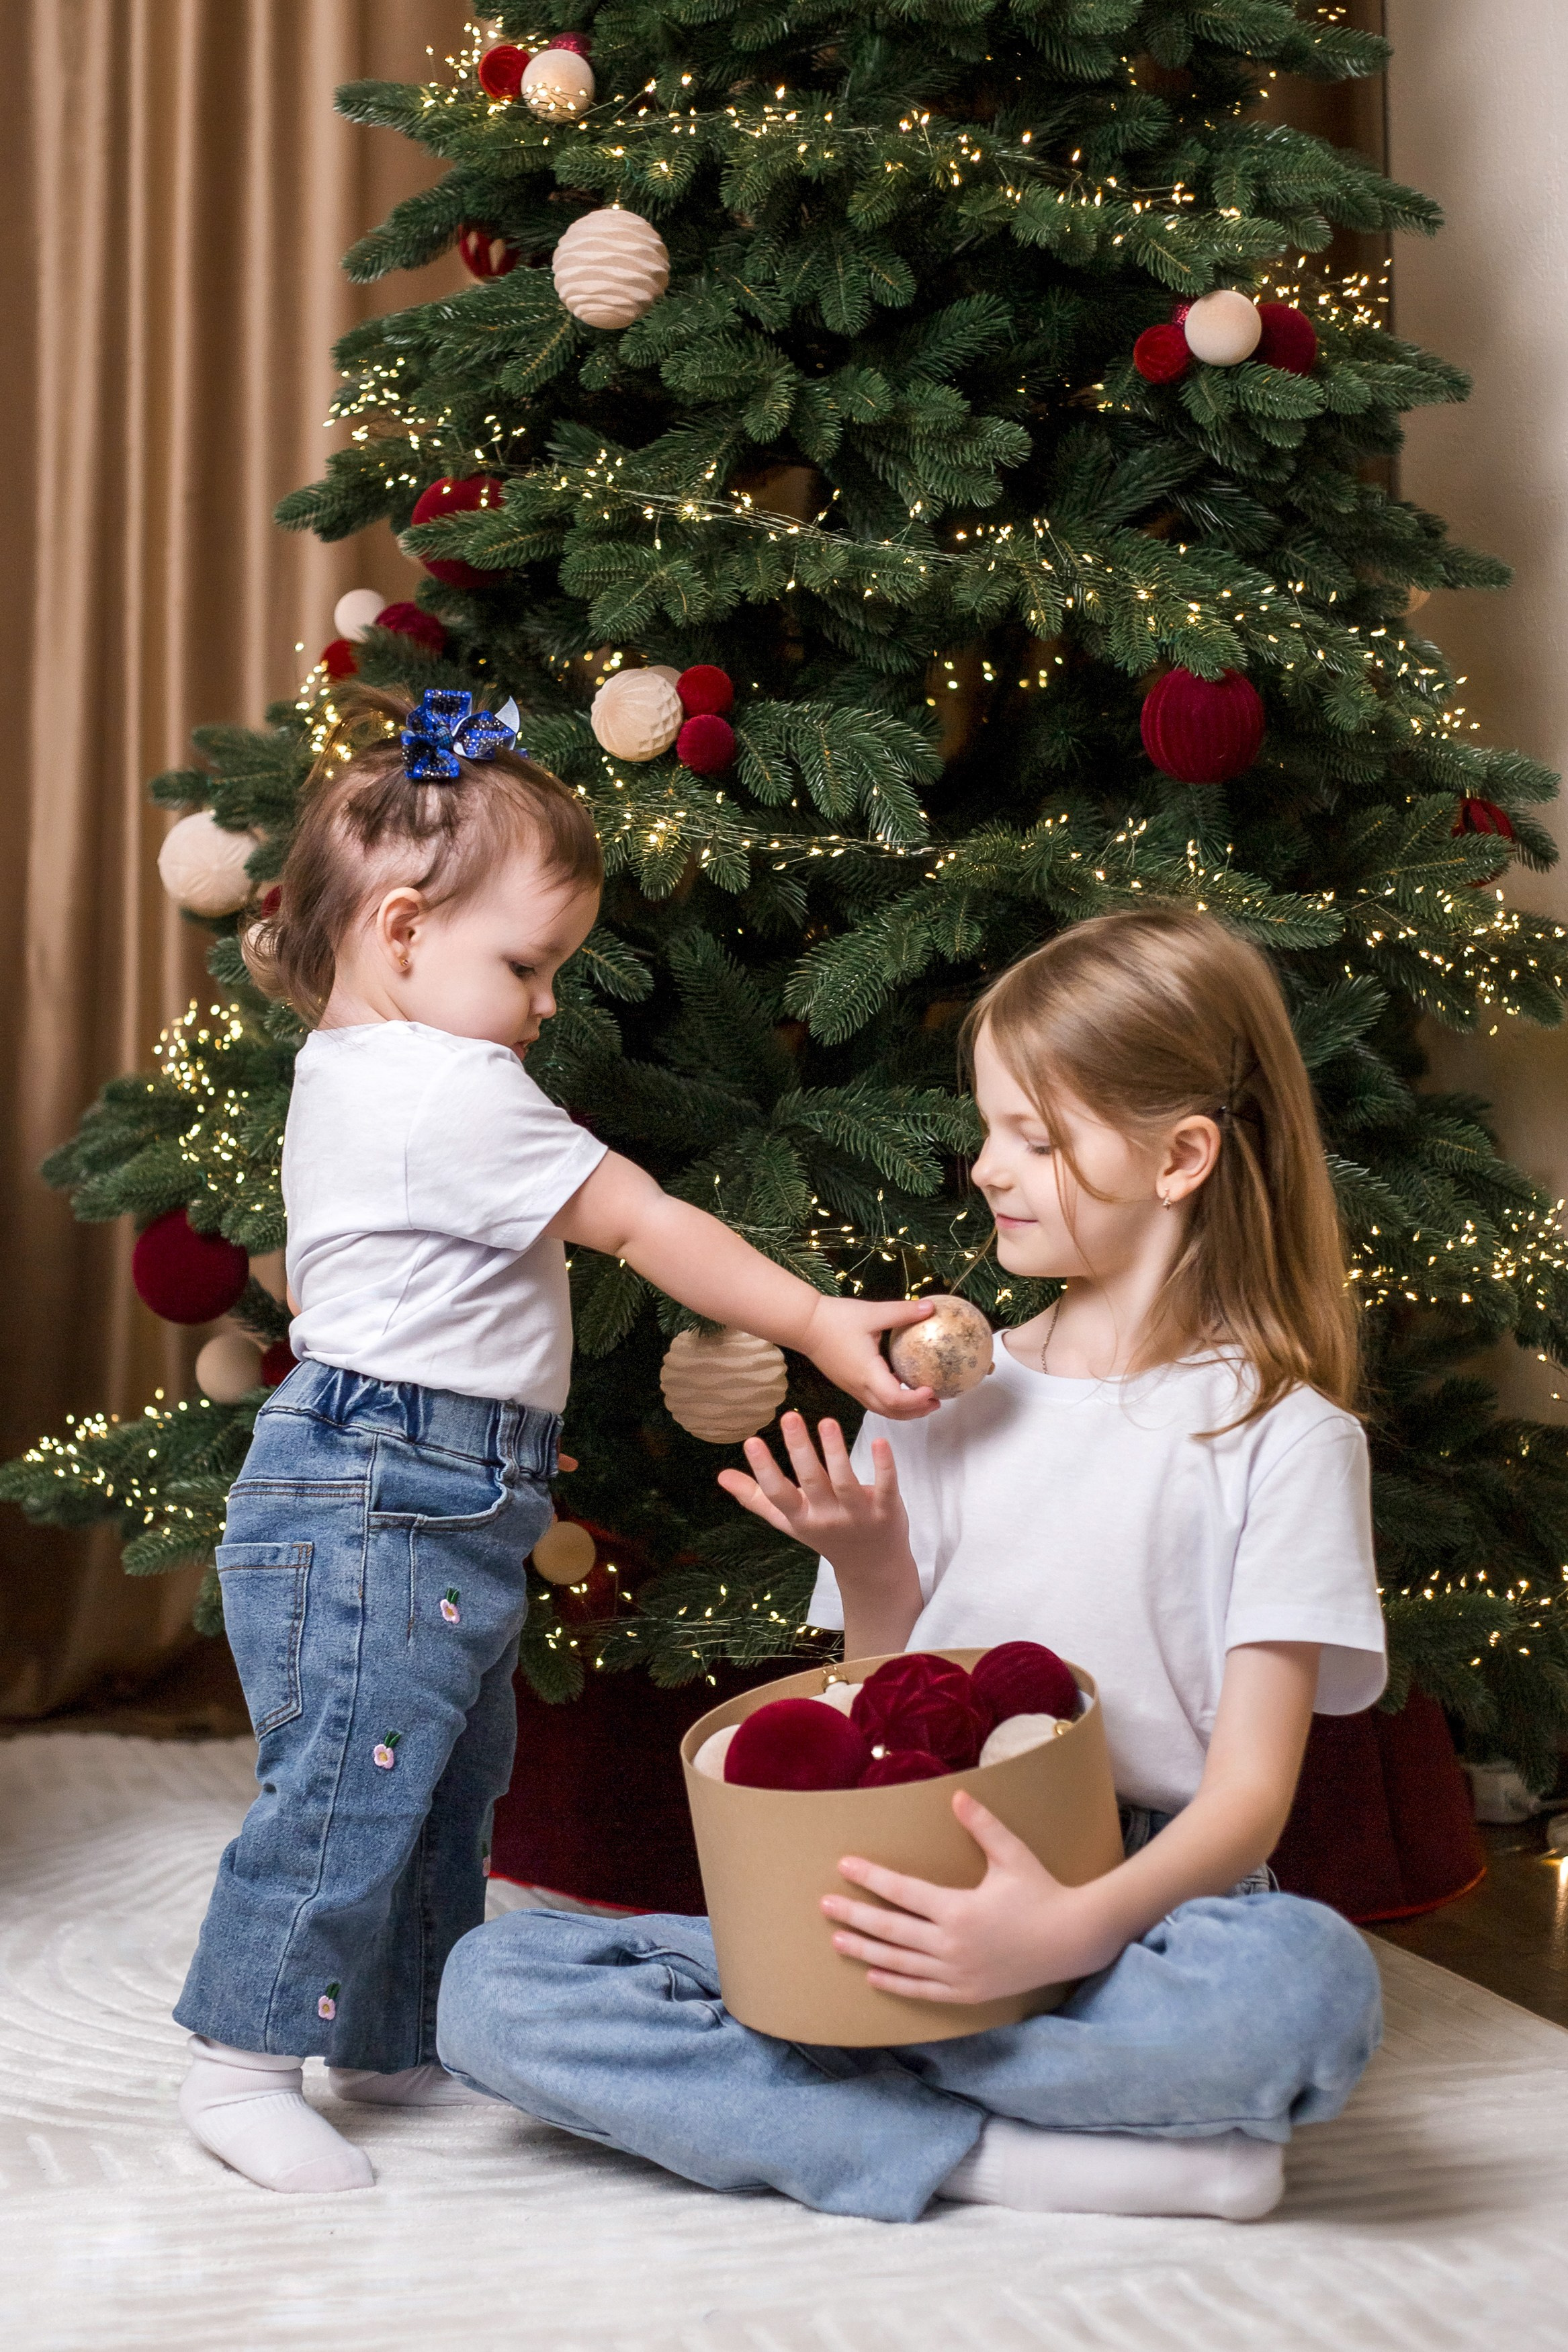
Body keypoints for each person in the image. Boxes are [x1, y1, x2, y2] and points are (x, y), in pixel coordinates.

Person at [437, 905, 1387, 2224]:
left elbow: (1249, 1801)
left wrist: (1062, 1930)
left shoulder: (1282, 1434)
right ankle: (1020, 2150)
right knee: (494, 1991)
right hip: (914, 1865)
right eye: (991, 1126)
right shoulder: (945, 1391)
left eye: (1038, 1139)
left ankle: (853, 2092)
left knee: (1308, 1989)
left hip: (1141, 1903)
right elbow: (882, 1718)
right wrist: (874, 1575)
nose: (990, 1167)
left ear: (1182, 1158)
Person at [173, 685, 938, 2195]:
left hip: (422, 1488)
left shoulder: (359, 1064)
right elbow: (646, 1222)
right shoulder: (447, 1089)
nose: (542, 1008)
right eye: (526, 967)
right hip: (381, 1489)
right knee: (350, 1777)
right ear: (400, 933)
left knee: (441, 1774)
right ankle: (239, 2055)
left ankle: (392, 2029)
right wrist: (817, 1318)